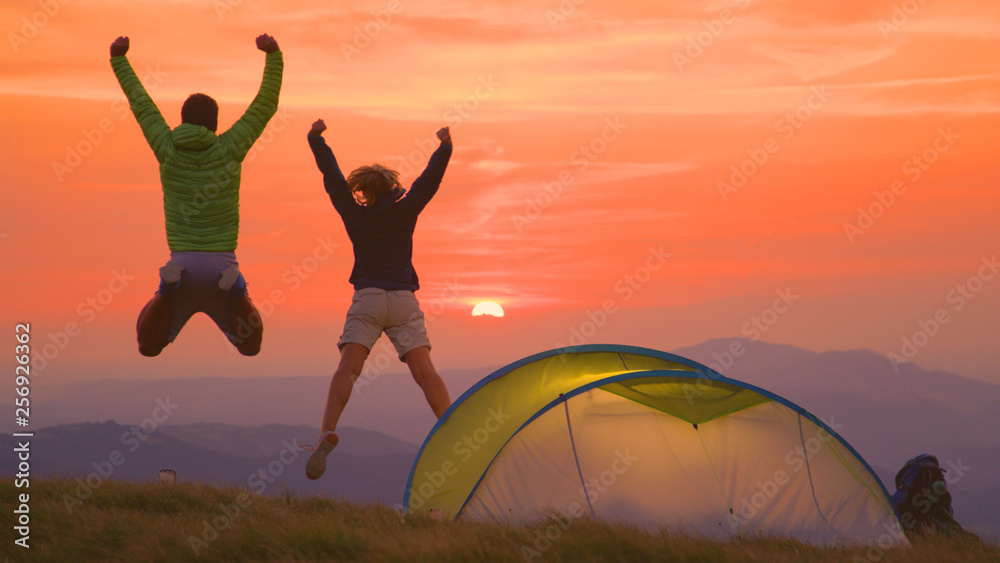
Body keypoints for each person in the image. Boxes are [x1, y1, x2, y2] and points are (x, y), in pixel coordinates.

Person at [109, 34, 283, 356]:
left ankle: (166, 290)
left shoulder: (167, 147)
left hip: (183, 265)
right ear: (216, 125)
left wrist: (119, 59)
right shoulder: (229, 148)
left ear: (182, 120)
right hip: (221, 266)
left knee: (148, 346)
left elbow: (141, 103)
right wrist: (272, 54)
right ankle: (238, 291)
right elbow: (266, 105)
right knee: (250, 346)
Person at [303, 119, 453, 479]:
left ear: (365, 192)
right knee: (424, 371)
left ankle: (326, 432)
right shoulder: (406, 211)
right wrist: (444, 147)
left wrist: (316, 140)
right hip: (403, 299)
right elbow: (428, 183)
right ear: (393, 190)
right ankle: (453, 428)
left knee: (348, 369)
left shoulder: (355, 215)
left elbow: (333, 180)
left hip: (367, 298)